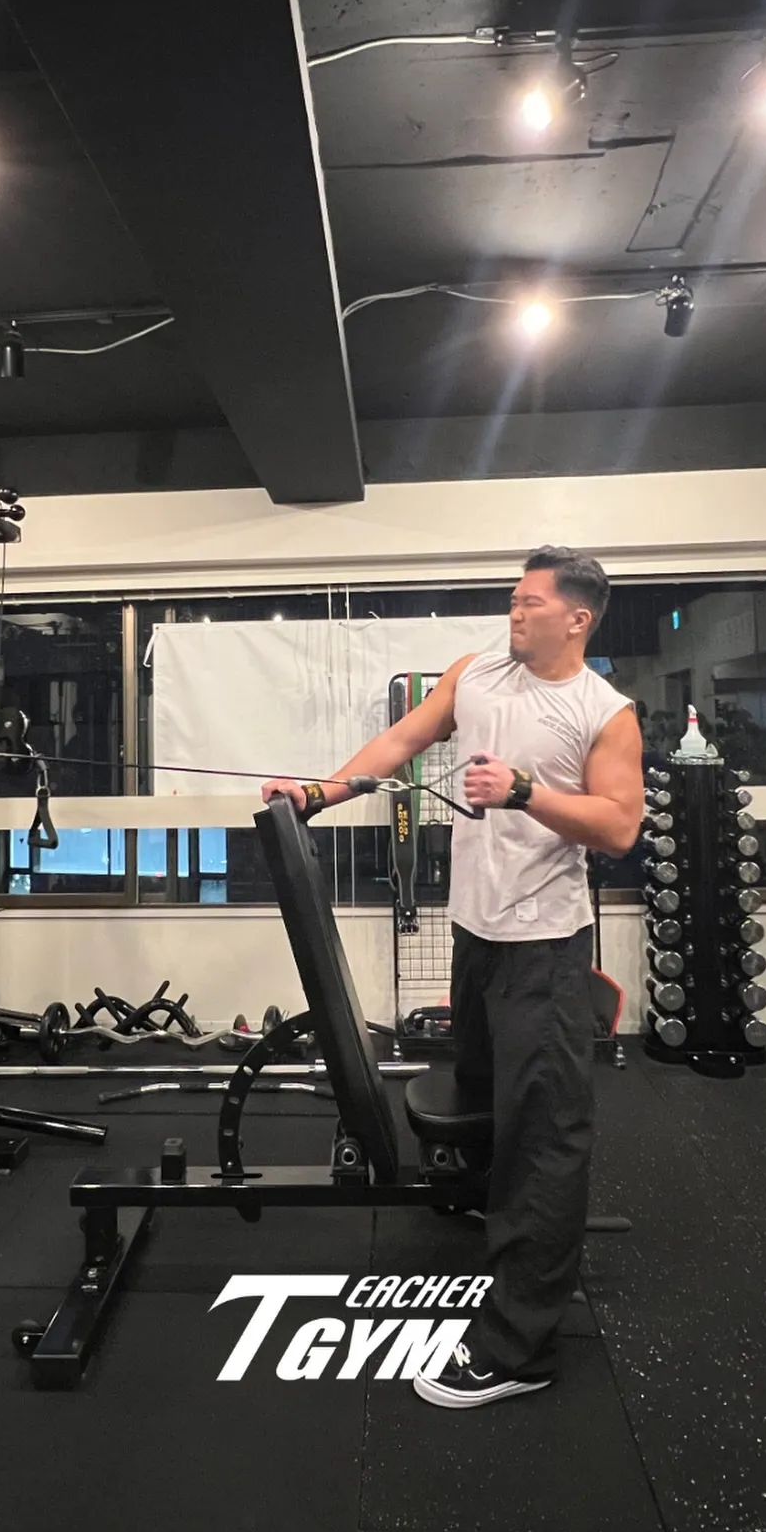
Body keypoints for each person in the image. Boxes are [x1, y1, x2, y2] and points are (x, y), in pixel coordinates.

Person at [261, 546, 643, 1409]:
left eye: (530, 602)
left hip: (545, 948)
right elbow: (401, 742)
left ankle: (519, 1348)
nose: (515, 611)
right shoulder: (475, 673)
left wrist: (524, 791)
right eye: (514, 598)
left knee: (543, 1137)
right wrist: (319, 795)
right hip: (476, 933)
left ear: (577, 618)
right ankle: (484, 1207)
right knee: (481, 1091)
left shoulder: (604, 711)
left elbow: (619, 826)